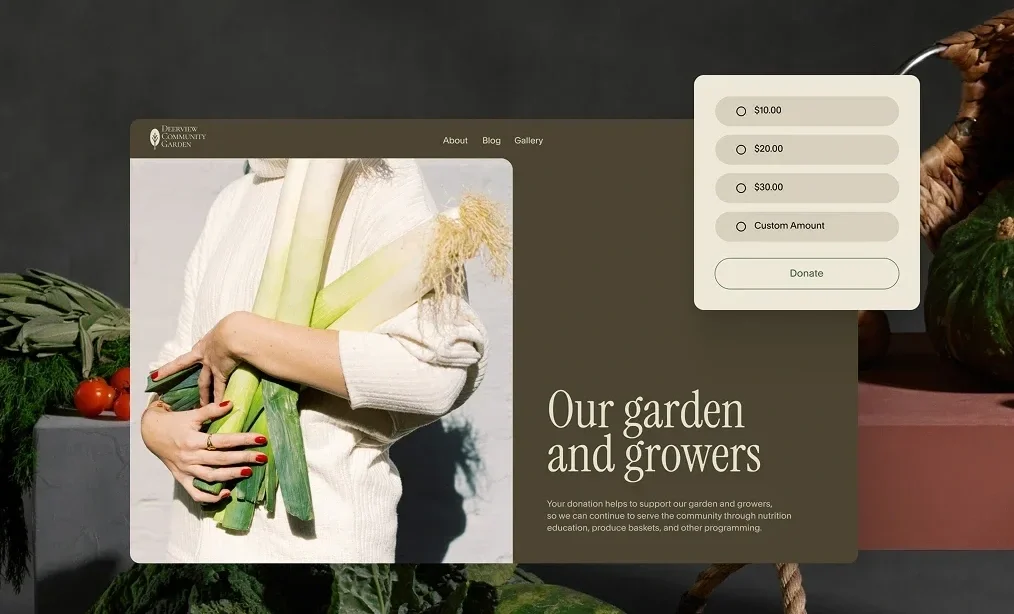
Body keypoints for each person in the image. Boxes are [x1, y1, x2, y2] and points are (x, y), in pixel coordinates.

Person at [140, 158, 488, 563]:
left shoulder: (379, 177)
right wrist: (156, 425)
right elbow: (182, 356)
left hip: (313, 556)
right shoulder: (233, 200)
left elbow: (435, 375)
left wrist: (243, 336)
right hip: (191, 554)